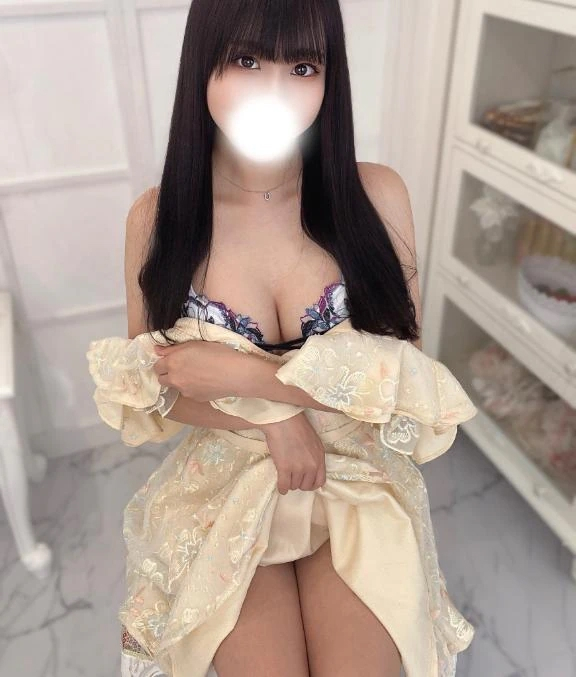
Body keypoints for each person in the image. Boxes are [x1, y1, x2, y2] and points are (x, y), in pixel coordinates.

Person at [86, 1, 479, 676]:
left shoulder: (376, 195)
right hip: (224, 485)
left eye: (302, 67)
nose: (275, 92)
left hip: (355, 474)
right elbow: (154, 387)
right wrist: (272, 421)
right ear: (202, 64)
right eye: (246, 60)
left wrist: (254, 383)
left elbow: (405, 382)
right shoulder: (157, 218)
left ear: (330, 77)